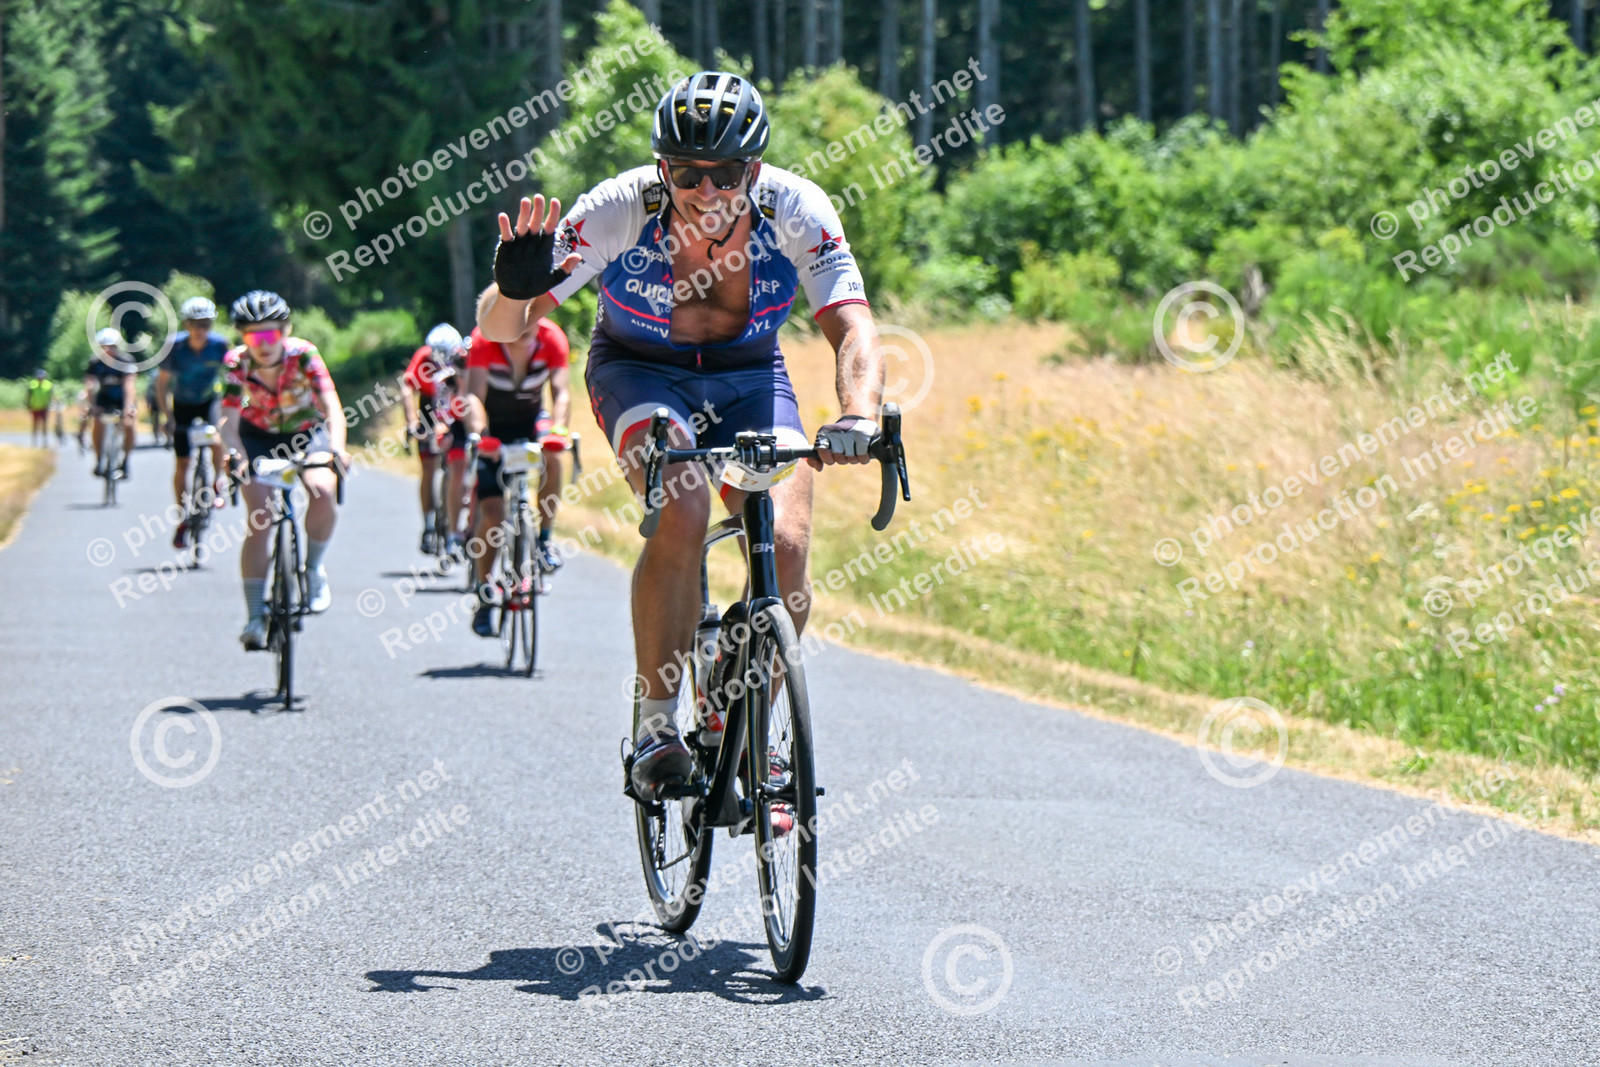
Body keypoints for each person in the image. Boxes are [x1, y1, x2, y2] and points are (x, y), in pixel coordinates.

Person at [477, 72, 884, 797]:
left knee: (787, 543)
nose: (705, 189)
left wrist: (860, 414)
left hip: (749, 376)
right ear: (662, 167)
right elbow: (504, 330)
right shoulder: (618, 208)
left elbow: (852, 325)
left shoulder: (796, 208)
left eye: (725, 173)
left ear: (754, 170)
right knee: (684, 504)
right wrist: (511, 291)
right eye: (686, 172)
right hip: (640, 371)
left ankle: (749, 723)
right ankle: (657, 727)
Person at [216, 290, 349, 650]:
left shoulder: (304, 354)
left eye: (270, 334)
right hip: (257, 436)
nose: (262, 344)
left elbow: (332, 407)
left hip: (306, 433)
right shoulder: (237, 363)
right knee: (260, 517)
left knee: (322, 489)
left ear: (285, 331)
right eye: (252, 336)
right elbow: (228, 421)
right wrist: (236, 455)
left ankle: (313, 569)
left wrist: (337, 448)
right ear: (242, 338)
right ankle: (254, 616)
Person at [462, 317, 573, 637]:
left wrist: (559, 430)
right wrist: (481, 435)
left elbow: (561, 393)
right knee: (493, 514)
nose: (521, 335)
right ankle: (484, 592)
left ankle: (544, 541)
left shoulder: (553, 337)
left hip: (531, 420)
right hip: (492, 429)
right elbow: (474, 397)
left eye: (528, 328)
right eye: (514, 330)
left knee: (553, 456)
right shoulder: (484, 338)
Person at [158, 297, 232, 548]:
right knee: (183, 463)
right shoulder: (174, 346)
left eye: (206, 324)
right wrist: (167, 417)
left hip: (210, 401)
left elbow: (234, 377)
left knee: (217, 439)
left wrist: (232, 411)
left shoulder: (220, 345)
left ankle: (217, 482)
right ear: (186, 324)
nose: (200, 329)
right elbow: (162, 383)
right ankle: (182, 517)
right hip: (182, 404)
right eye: (195, 323)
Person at [400, 323, 470, 554]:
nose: (440, 360)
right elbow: (408, 387)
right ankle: (429, 525)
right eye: (436, 355)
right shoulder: (423, 357)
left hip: (456, 410)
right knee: (428, 468)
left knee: (460, 463)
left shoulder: (463, 359)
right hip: (430, 410)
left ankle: (460, 517)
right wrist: (412, 422)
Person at [84, 327, 138, 479]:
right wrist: (92, 406)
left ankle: (126, 461)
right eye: (105, 346)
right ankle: (99, 459)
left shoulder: (126, 361)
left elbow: (129, 385)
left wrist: (128, 407)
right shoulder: (95, 362)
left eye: (112, 346)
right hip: (103, 398)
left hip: (122, 399)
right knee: (97, 422)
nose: (109, 350)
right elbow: (90, 385)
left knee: (129, 425)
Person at [26, 369, 53, 448]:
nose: (40, 378)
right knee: (35, 424)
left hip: (44, 407)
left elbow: (50, 396)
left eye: (42, 377)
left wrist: (50, 404)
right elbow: (28, 395)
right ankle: (34, 442)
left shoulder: (48, 385)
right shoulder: (32, 385)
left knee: (44, 425)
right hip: (35, 407)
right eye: (39, 377)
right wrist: (28, 405)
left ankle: (45, 441)